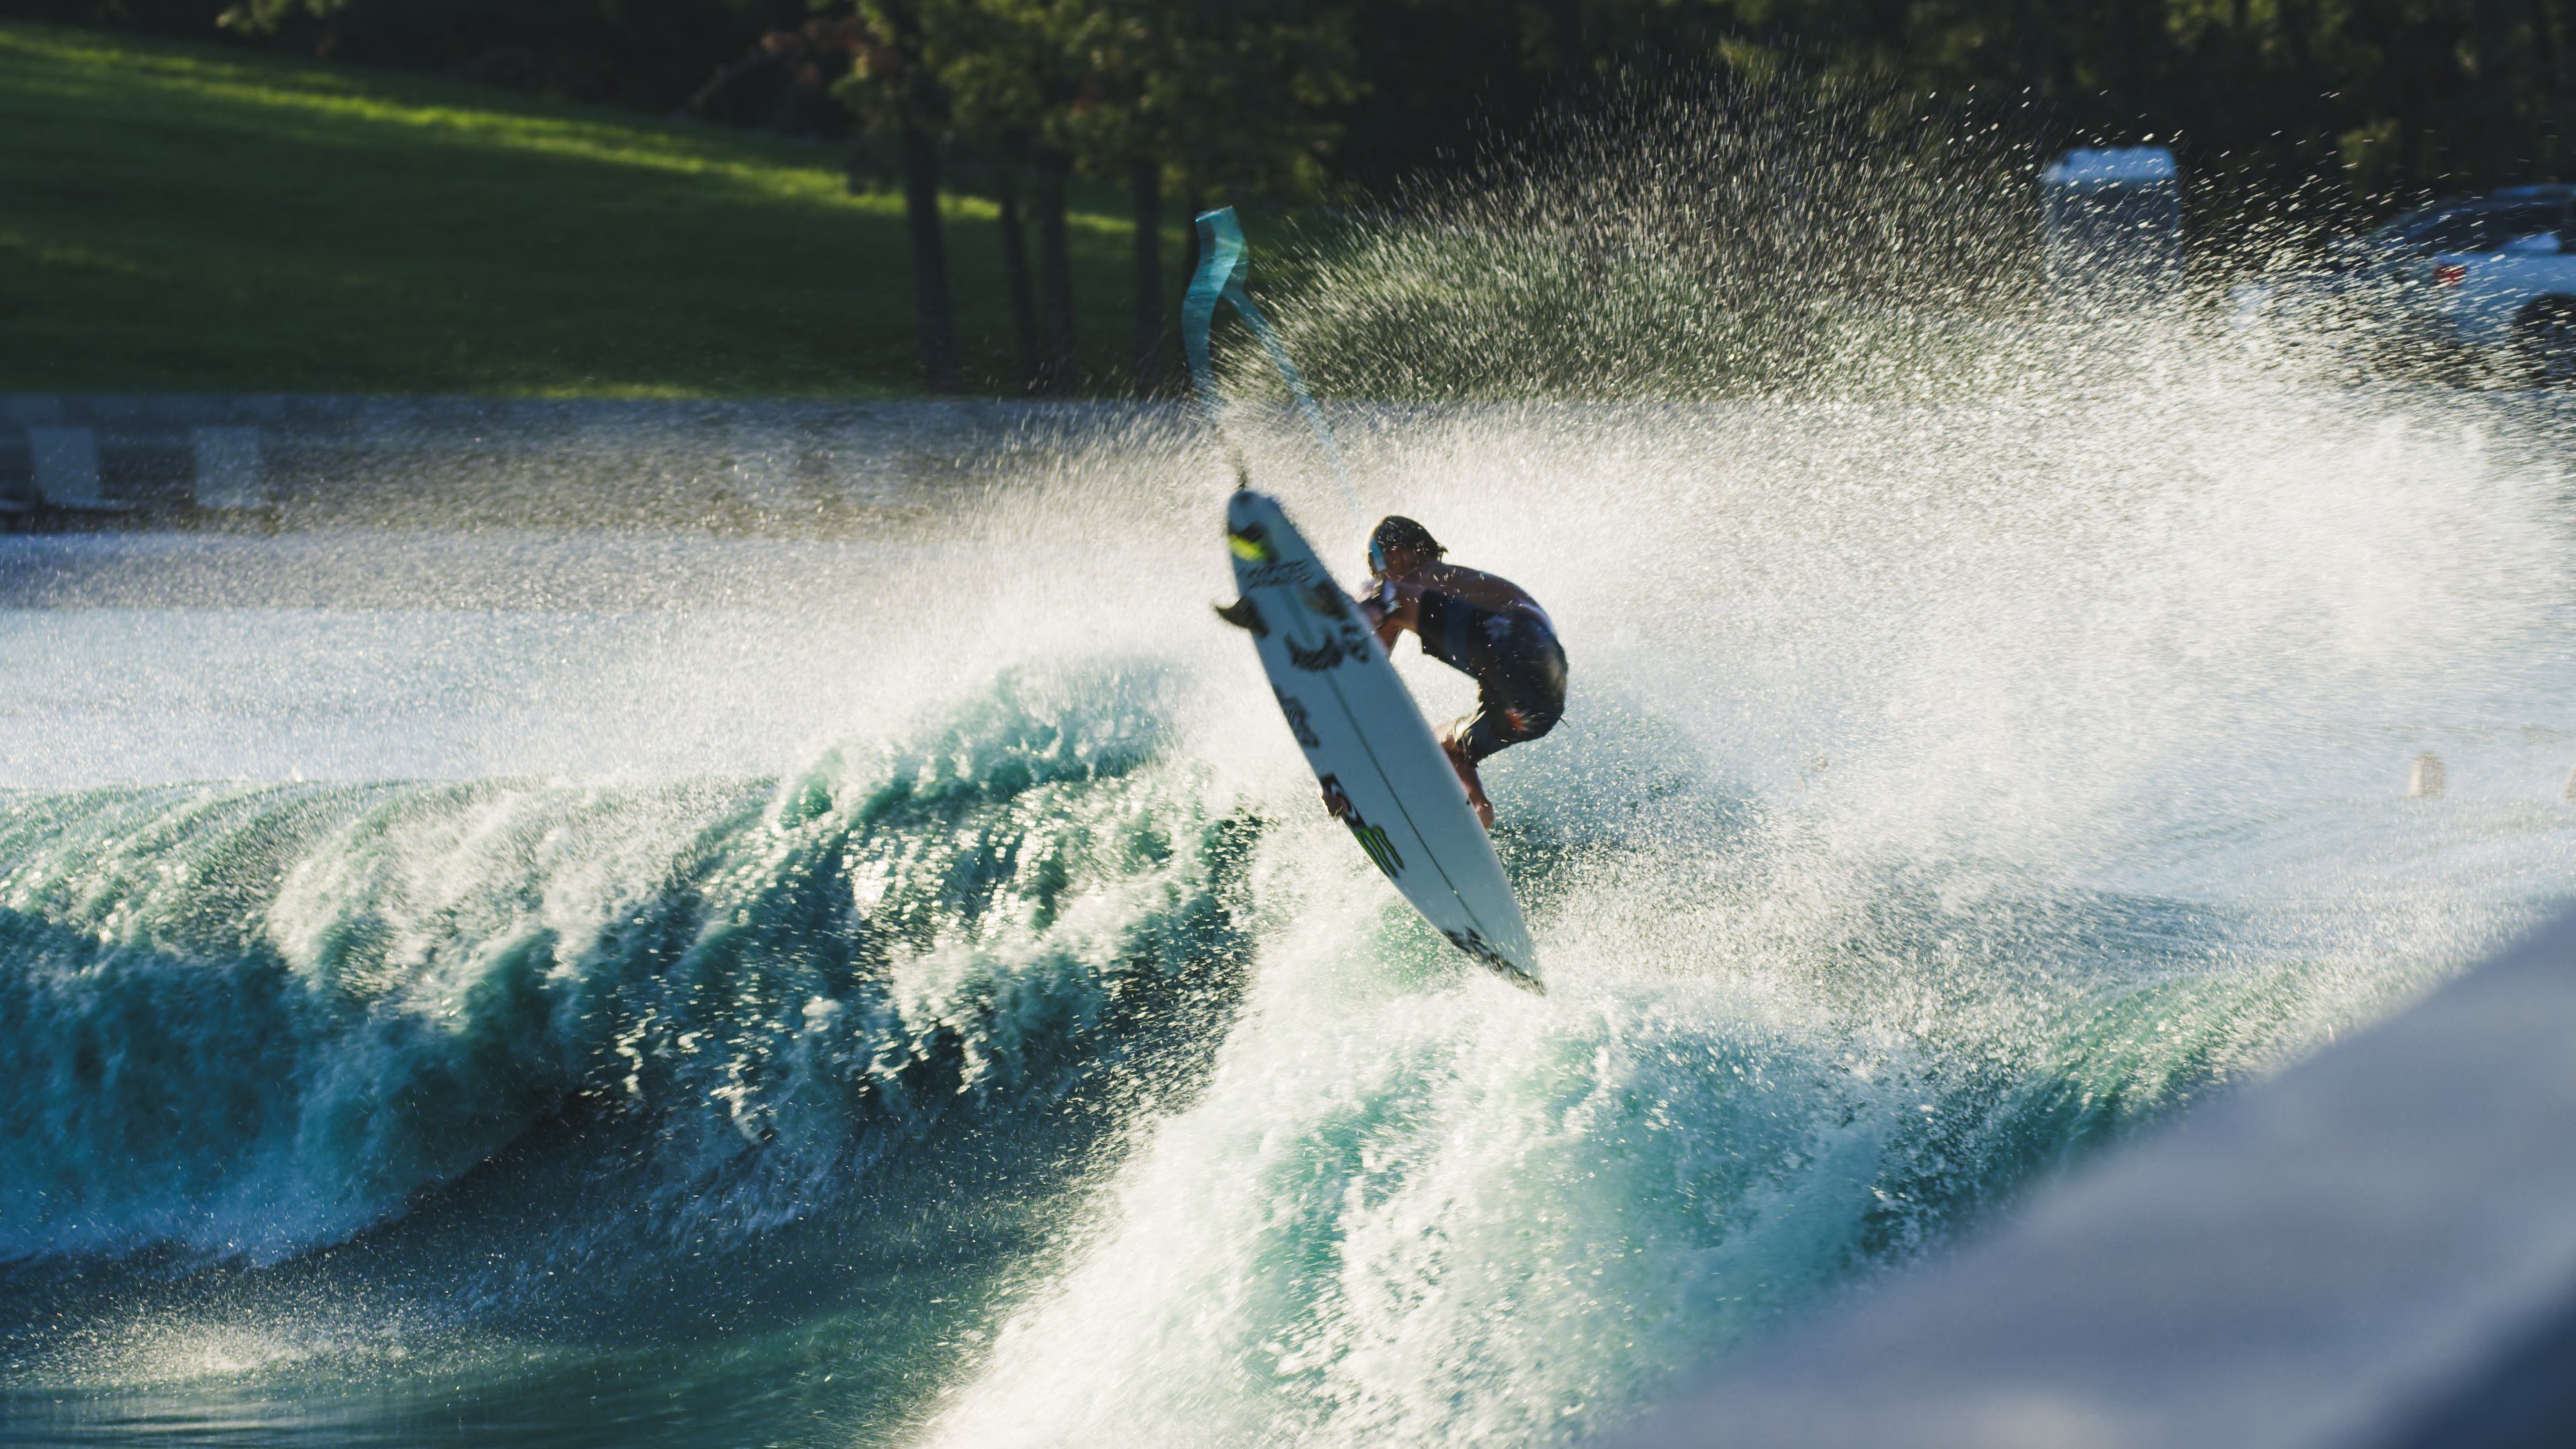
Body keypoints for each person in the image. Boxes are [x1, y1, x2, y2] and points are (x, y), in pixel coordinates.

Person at [1355, 515, 1566, 828]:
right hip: (1538, 707)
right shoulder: (1448, 589)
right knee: (1445, 748)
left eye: (1377, 567)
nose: (1380, 576)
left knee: (1391, 598)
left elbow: (1375, 655)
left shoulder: (1427, 576)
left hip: (1517, 637)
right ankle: (1480, 813)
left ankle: (1340, 618)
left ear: (1398, 554)